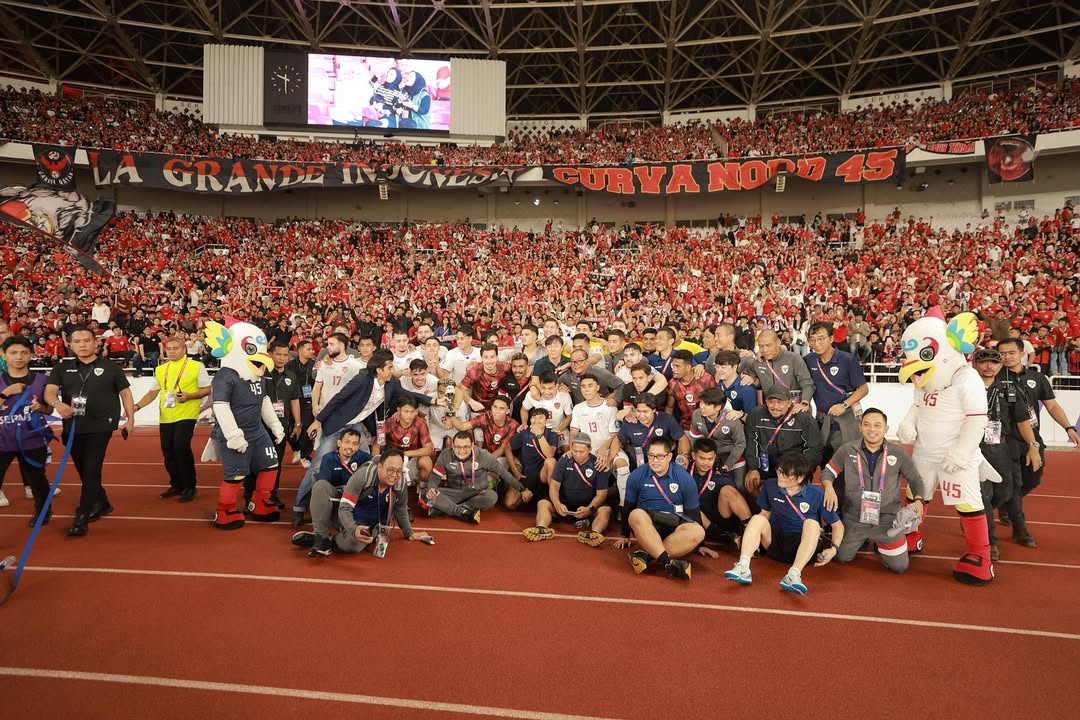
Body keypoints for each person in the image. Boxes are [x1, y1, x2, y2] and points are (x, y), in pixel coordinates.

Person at [294, 349, 439, 526]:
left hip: (356, 426)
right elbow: (338, 399)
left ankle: (361, 504)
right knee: (318, 465)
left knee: (368, 463)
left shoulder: (391, 383)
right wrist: (318, 421)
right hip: (337, 425)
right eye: (389, 367)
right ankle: (299, 508)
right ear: (379, 369)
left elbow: (408, 395)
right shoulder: (362, 379)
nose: (392, 371)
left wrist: (432, 401)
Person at [44, 326, 135, 537]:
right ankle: (102, 502)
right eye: (77, 341)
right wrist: (57, 403)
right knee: (85, 470)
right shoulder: (61, 368)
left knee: (92, 468)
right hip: (73, 427)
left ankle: (82, 515)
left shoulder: (111, 367)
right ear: (70, 344)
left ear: (96, 342)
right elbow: (49, 392)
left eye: (87, 340)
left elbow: (125, 393)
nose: (82, 344)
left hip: (101, 425)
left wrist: (130, 419)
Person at [996, 337, 1080, 545]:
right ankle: (1019, 527)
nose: (1006, 357)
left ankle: (1000, 503)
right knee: (1014, 484)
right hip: (1005, 439)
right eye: (1002, 354)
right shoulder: (994, 378)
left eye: (1011, 353)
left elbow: (1051, 406)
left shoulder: (1037, 378)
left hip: (1033, 438)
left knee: (1033, 479)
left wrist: (1068, 427)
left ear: (1022, 353)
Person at [820, 408, 926, 573]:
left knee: (900, 567)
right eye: (867, 425)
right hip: (854, 517)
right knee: (841, 557)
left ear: (886, 429)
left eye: (877, 425)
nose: (872, 429)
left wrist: (919, 500)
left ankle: (882, 542)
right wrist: (828, 487)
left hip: (888, 519)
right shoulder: (847, 450)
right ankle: (859, 539)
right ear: (860, 427)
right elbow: (828, 472)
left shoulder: (898, 452)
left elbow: (915, 479)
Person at [202, 320, 285, 530]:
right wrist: (233, 435)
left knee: (270, 465)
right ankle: (225, 509)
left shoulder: (259, 375)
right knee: (236, 475)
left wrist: (274, 424)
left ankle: (260, 501)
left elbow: (264, 400)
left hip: (257, 430)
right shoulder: (225, 376)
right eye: (251, 349)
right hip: (234, 434)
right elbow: (221, 407)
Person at [725, 451, 844, 594]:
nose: (780, 476)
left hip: (803, 547)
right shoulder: (770, 486)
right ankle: (743, 566)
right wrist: (753, 540)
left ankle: (794, 575)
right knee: (757, 518)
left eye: (785, 474)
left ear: (800, 478)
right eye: (779, 471)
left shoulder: (817, 495)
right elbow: (765, 514)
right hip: (776, 543)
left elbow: (837, 525)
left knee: (812, 524)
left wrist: (834, 549)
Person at [291, 448, 433, 556]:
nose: (394, 475)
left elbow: (401, 509)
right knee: (320, 486)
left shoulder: (400, 482)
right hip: (343, 516)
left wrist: (409, 533)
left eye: (398, 471)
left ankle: (324, 542)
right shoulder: (364, 475)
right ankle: (320, 536)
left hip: (365, 527)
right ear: (379, 467)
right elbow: (345, 507)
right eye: (390, 470)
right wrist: (353, 529)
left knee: (354, 546)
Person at [974, 346, 1041, 557]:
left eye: (993, 362)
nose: (988, 366)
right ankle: (990, 541)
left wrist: (1033, 446)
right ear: (976, 364)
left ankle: (978, 514)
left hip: (1000, 446)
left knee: (1005, 491)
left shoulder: (1008, 389)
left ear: (1000, 365)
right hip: (974, 447)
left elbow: (1022, 420)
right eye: (983, 361)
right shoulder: (967, 388)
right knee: (984, 493)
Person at [613, 436, 705, 581]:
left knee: (699, 531)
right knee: (635, 514)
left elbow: (693, 512)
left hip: (675, 525)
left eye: (660, 456)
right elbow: (628, 507)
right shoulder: (637, 475)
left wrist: (700, 545)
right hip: (648, 524)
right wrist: (624, 535)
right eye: (651, 456)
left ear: (669, 456)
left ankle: (647, 555)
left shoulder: (684, 478)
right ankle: (668, 563)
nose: (655, 460)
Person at [133, 336, 212, 503]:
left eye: (176, 348)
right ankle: (176, 485)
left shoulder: (196, 366)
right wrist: (137, 406)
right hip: (166, 416)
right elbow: (152, 393)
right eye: (169, 349)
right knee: (168, 451)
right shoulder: (161, 369)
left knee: (180, 447)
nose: (172, 351)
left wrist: (190, 396)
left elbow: (206, 390)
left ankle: (189, 486)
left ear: (184, 349)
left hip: (187, 413)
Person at [522, 433, 611, 547]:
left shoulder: (598, 464)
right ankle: (541, 529)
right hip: (563, 506)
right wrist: (557, 503)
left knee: (606, 510)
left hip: (588, 508)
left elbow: (602, 494)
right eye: (574, 451)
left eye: (581, 452)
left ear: (590, 449)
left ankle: (594, 534)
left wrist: (590, 508)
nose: (577, 455)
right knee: (543, 503)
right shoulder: (564, 460)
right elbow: (554, 486)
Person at [424, 431, 533, 523]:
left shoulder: (484, 456)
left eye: (466, 447)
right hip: (454, 493)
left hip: (476, 494)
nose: (461, 451)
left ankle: (446, 509)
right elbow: (435, 477)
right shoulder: (445, 455)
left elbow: (503, 473)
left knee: (491, 497)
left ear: (472, 445)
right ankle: (463, 512)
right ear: (452, 445)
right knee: (425, 493)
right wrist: (431, 489)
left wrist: (522, 489)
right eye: (458, 447)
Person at [0, 336, 53, 523]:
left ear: (31, 355)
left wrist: (42, 408)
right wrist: (6, 393)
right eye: (13, 353)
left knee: (37, 479)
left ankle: (43, 511)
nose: (19, 357)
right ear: (4, 355)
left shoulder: (42, 380)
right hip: (2, 440)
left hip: (32, 438)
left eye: (24, 352)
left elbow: (50, 408)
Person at [244, 341, 302, 509]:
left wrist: (298, 423)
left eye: (285, 355)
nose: (282, 358)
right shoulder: (259, 372)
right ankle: (250, 496)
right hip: (259, 427)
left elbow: (295, 400)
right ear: (270, 354)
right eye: (278, 354)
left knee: (275, 463)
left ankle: (271, 494)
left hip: (281, 429)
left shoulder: (291, 376)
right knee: (255, 462)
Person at [744, 385, 824, 494]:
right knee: (751, 484)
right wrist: (753, 468)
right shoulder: (755, 415)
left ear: (789, 402)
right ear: (765, 401)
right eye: (771, 401)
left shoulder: (804, 418)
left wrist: (798, 473)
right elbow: (751, 442)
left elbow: (814, 449)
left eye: (780, 402)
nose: (775, 406)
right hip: (767, 467)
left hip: (794, 470)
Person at [805, 321, 869, 455]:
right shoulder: (809, 360)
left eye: (821, 339)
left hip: (846, 419)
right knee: (825, 462)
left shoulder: (847, 359)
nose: (817, 344)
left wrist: (844, 405)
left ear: (831, 339)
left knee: (848, 459)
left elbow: (863, 389)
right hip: (823, 420)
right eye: (813, 340)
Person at [687, 439, 751, 556]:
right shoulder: (684, 471)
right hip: (695, 519)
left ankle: (751, 533)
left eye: (710, 459)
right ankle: (727, 537)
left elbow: (733, 497)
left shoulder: (720, 472)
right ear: (693, 455)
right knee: (690, 506)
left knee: (728, 490)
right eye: (702, 458)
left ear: (715, 456)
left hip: (720, 516)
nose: (706, 463)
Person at [292, 428, 371, 514]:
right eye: (347, 442)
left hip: (352, 495)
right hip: (336, 425)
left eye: (354, 444)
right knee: (319, 482)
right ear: (339, 443)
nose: (350, 447)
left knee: (371, 480)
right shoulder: (328, 458)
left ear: (358, 447)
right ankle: (300, 508)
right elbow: (323, 484)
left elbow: (376, 463)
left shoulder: (363, 457)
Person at [687, 386, 746, 491]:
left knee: (739, 486)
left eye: (707, 404)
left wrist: (728, 464)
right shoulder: (696, 414)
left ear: (718, 407)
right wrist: (696, 456)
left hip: (732, 457)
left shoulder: (732, 420)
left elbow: (740, 444)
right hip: (709, 456)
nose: (702, 407)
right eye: (701, 403)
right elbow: (694, 438)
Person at [742, 330, 815, 410]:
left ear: (778, 342)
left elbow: (807, 383)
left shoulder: (794, 358)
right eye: (761, 346)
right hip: (772, 410)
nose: (765, 350)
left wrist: (804, 403)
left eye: (768, 345)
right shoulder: (758, 362)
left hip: (794, 408)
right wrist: (753, 380)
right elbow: (759, 383)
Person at [508, 407, 558, 509]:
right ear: (530, 420)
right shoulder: (524, 433)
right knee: (509, 503)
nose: (536, 420)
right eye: (534, 417)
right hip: (528, 475)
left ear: (546, 421)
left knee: (551, 461)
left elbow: (550, 454)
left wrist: (539, 435)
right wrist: (515, 470)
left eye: (540, 418)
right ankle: (528, 499)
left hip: (544, 476)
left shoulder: (552, 433)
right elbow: (507, 447)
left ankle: (552, 499)